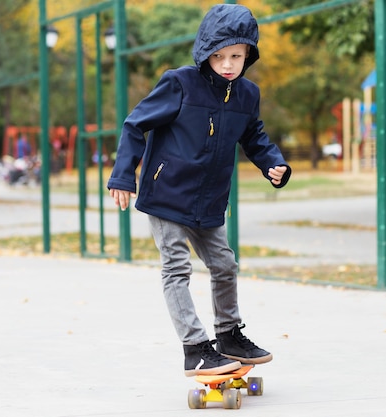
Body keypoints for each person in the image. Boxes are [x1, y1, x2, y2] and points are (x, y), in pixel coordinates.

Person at [107, 4, 291, 377]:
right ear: (205, 52)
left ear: (248, 55)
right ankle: (195, 348)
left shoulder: (247, 95)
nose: (227, 64)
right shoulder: (179, 83)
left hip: (208, 201)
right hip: (166, 195)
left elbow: (254, 137)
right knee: (176, 268)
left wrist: (274, 163)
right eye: (219, 56)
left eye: (236, 56)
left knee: (224, 264)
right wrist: (124, 175)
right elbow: (134, 124)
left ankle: (228, 336)